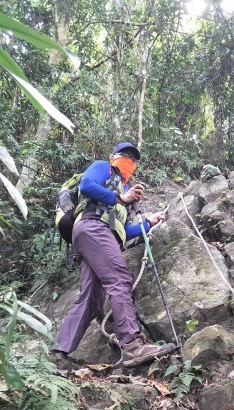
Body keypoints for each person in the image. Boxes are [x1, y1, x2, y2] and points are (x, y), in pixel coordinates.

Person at [53, 142, 176, 368]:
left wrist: (149, 222)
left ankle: (59, 352)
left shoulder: (122, 193)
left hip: (95, 237)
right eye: (125, 155)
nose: (129, 160)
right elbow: (87, 185)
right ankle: (131, 345)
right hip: (92, 228)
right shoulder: (103, 168)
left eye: (134, 159)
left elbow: (122, 232)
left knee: (92, 298)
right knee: (119, 279)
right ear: (113, 157)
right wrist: (121, 198)